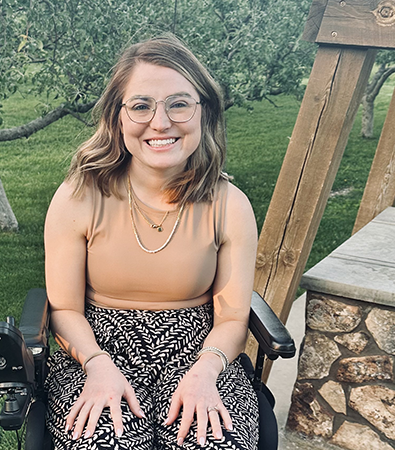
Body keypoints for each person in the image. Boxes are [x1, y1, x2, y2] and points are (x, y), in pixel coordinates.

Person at [43, 34, 259, 450]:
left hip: (201, 352)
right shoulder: (79, 196)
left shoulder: (230, 205)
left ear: (203, 113)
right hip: (97, 349)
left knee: (215, 442)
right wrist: (96, 364)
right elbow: (65, 308)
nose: (160, 123)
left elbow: (232, 319)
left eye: (178, 103)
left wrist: (206, 371)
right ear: (118, 117)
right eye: (141, 105)